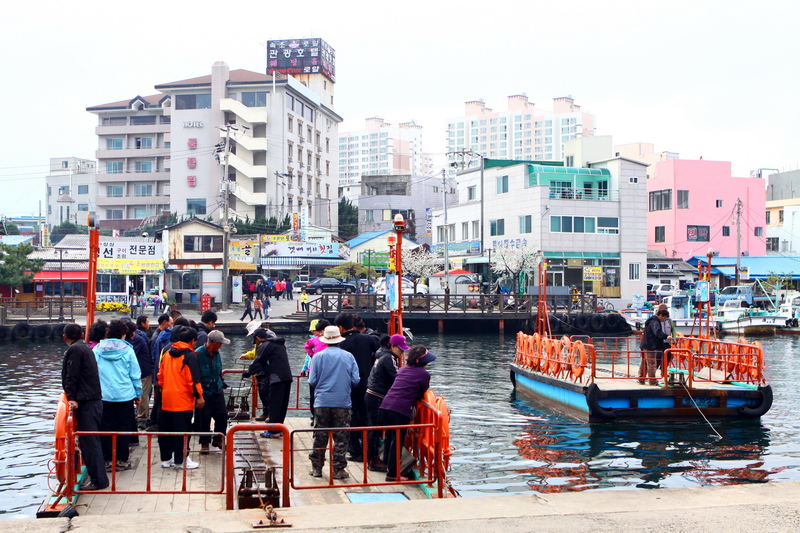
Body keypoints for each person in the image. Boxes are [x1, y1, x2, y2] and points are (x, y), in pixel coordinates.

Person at [307, 325, 360, 479]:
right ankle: (338, 469)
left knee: (320, 436)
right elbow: (355, 379)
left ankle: (317, 468)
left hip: (322, 401)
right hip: (342, 401)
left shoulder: (317, 356)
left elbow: (312, 380)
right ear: (339, 340)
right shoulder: (348, 356)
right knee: (341, 437)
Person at [61, 323, 109, 491]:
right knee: (92, 441)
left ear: (64, 337)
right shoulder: (85, 347)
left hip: (87, 402)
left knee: (90, 442)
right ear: (82, 335)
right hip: (93, 400)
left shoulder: (75, 350)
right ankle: (99, 478)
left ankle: (99, 481)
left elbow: (72, 376)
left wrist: (71, 398)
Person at [379, 345, 436, 482]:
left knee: (389, 438)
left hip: (385, 406)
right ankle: (393, 474)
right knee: (397, 442)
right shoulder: (424, 374)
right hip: (400, 409)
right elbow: (422, 391)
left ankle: (387, 465)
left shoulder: (403, 369)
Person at [93, 319, 142, 472]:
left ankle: (107, 460)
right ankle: (122, 459)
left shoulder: (97, 350)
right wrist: (138, 393)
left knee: (105, 428)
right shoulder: (128, 350)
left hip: (104, 395)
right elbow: (135, 374)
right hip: (125, 395)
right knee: (124, 428)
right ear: (123, 334)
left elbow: (92, 373)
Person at [334, 312, 380, 462]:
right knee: (366, 418)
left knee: (351, 418)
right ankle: (370, 451)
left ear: (340, 327)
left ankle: (355, 451)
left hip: (349, 386)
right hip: (367, 384)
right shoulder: (367, 339)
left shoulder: (341, 344)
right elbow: (379, 346)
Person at [157, 326, 204, 469]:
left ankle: (166, 459)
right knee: (183, 431)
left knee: (166, 430)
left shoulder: (167, 353)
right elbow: (193, 380)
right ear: (192, 341)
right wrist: (199, 396)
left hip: (167, 399)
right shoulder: (190, 356)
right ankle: (181, 460)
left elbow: (160, 377)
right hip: (183, 400)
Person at [364, 333, 408, 472]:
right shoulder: (389, 358)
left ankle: (373, 458)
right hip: (377, 395)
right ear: (392, 346)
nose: (402, 352)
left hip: (372, 393)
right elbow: (396, 377)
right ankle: (373, 459)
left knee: (374, 427)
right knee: (375, 428)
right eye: (400, 349)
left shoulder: (381, 355)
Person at [243, 328, 293, 438]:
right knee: (282, 404)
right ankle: (280, 428)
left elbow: (259, 361)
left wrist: (248, 372)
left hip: (276, 378)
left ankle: (273, 431)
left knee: (274, 404)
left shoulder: (265, 345)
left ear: (258, 338)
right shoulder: (279, 344)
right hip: (287, 377)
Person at [195, 330, 229, 453]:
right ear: (213, 343)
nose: (221, 346)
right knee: (204, 418)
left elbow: (218, 370)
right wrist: (198, 395)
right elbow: (195, 376)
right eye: (220, 343)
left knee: (222, 416)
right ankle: (204, 442)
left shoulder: (217, 354)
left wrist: (222, 382)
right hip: (204, 391)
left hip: (217, 389)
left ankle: (218, 439)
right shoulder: (198, 354)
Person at [301, 319, 330, 424]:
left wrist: (312, 355)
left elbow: (307, 347)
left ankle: (316, 417)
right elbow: (307, 347)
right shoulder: (319, 340)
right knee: (317, 394)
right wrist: (311, 355)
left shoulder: (315, 340)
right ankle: (316, 416)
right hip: (323, 370)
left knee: (314, 394)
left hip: (315, 369)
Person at [128, 319, 152, 429]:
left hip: (143, 371)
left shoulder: (137, 338)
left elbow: (131, 353)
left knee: (143, 394)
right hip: (137, 370)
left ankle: (143, 418)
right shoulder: (137, 337)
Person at [639, 309, 670, 386]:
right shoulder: (655, 322)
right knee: (652, 363)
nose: (664, 320)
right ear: (661, 315)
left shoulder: (650, 320)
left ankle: (641, 378)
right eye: (664, 318)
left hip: (644, 344)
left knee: (644, 363)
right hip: (650, 346)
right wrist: (666, 336)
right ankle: (652, 381)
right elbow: (657, 332)